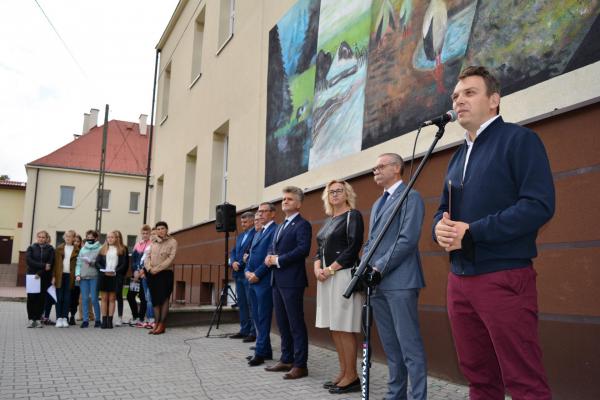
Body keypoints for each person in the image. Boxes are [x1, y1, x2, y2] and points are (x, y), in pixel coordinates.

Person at [433, 66, 554, 400]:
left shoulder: (520, 140)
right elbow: (443, 209)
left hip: (503, 276)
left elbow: (538, 205)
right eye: (456, 95)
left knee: (523, 380)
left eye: (470, 93)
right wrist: (439, 229)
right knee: (480, 380)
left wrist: (473, 231)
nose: (459, 100)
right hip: (459, 281)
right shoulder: (457, 156)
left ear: (494, 100)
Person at [363, 153, 427, 400]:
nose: (375, 171)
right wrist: (363, 269)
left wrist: (378, 267)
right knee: (391, 347)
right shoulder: (378, 203)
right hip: (377, 285)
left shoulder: (411, 196)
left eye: (380, 166)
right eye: (374, 167)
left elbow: (407, 239)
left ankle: (417, 397)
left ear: (397, 168)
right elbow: (371, 242)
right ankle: (395, 395)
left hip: (401, 282)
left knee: (409, 346)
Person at [314, 180, 364, 394]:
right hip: (325, 277)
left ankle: (352, 377)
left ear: (347, 194)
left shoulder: (353, 216)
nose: (334, 194)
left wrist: (330, 269)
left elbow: (353, 248)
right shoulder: (328, 221)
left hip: (342, 276)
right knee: (335, 327)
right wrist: (317, 269)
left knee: (344, 327)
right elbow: (318, 250)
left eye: (339, 191)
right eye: (331, 191)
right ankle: (344, 372)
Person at [264, 186, 312, 380]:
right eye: (283, 199)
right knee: (282, 323)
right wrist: (269, 257)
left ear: (299, 204)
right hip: (277, 280)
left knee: (295, 323)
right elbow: (272, 247)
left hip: (292, 281)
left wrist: (278, 260)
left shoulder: (302, 225)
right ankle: (286, 359)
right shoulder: (280, 225)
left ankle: (300, 365)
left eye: (290, 199)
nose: (285, 201)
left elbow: (303, 250)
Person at [245, 204, 277, 366]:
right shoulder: (259, 232)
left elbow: (270, 256)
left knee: (263, 317)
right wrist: (247, 272)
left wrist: (257, 274)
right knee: (256, 317)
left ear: (272, 214)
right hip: (252, 280)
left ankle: (259, 352)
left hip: (264, 280)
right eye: (259, 212)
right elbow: (251, 255)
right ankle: (265, 350)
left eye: (264, 211)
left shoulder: (274, 230)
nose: (260, 214)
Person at [143, 221, 177, 335]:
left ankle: (162, 324)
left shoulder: (173, 242)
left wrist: (157, 269)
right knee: (155, 300)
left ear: (167, 230)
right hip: (152, 274)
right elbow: (147, 257)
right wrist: (149, 268)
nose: (160, 230)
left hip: (165, 274)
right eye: (158, 229)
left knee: (164, 299)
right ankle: (156, 324)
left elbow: (170, 259)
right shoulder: (152, 242)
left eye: (163, 228)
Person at [229, 211, 256, 340]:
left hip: (247, 273)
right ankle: (244, 329)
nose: (243, 224)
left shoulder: (255, 234)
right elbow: (233, 251)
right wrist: (233, 261)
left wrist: (239, 263)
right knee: (242, 303)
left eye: (245, 222)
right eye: (241, 222)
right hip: (237, 274)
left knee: (250, 303)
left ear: (252, 221)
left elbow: (249, 252)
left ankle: (252, 332)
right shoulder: (240, 236)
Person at [96, 230, 128, 329]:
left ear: (116, 238)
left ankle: (110, 321)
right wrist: (103, 270)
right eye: (108, 237)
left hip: (115, 277)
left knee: (112, 299)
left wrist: (115, 271)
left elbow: (124, 264)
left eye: (112, 237)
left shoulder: (121, 250)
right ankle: (104, 320)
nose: (110, 239)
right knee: (104, 299)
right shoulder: (102, 249)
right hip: (104, 276)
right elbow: (97, 263)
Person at [25, 230, 55, 328]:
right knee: (31, 298)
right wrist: (42, 266)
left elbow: (50, 264)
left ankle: (38, 319)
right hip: (32, 276)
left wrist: (39, 273)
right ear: (37, 238)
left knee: (41, 298)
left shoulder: (50, 249)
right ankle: (31, 319)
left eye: (43, 237)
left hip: (44, 277)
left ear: (46, 238)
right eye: (39, 237)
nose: (41, 239)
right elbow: (29, 261)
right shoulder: (31, 248)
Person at [52, 230, 80, 328]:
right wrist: (54, 276)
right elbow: (54, 264)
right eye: (66, 236)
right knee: (59, 297)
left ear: (73, 238)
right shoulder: (59, 248)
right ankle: (59, 318)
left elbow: (79, 264)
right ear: (64, 237)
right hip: (60, 275)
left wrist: (78, 275)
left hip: (70, 276)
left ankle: (65, 318)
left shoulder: (77, 250)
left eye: (70, 236)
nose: (68, 238)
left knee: (67, 297)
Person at [75, 230, 102, 328]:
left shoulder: (100, 248)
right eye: (88, 237)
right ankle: (85, 320)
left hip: (94, 277)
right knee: (85, 299)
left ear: (96, 238)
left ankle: (98, 320)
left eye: (91, 237)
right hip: (83, 277)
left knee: (94, 299)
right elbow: (78, 263)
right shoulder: (83, 249)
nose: (89, 239)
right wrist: (77, 274)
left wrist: (92, 262)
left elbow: (101, 263)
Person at [127, 225, 151, 326]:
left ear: (149, 234)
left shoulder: (151, 244)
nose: (145, 235)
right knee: (130, 296)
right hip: (136, 276)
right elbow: (134, 260)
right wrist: (135, 271)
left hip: (145, 275)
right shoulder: (137, 245)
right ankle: (135, 316)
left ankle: (141, 318)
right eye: (143, 233)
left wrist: (141, 271)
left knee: (143, 297)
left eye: (147, 233)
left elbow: (147, 260)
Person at [112, 230, 128, 327]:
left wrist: (117, 271)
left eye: (118, 237)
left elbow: (125, 264)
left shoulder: (124, 248)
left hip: (119, 275)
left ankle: (120, 317)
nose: (116, 238)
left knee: (118, 296)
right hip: (109, 275)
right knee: (110, 296)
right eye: (115, 236)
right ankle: (109, 316)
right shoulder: (109, 247)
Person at [67, 234, 83, 325]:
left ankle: (72, 316)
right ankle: (66, 315)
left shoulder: (81, 252)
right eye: (75, 241)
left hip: (77, 279)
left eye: (78, 241)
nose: (76, 243)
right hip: (68, 278)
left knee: (75, 299)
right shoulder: (68, 250)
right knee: (68, 298)